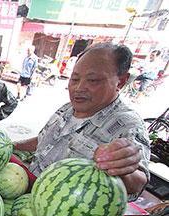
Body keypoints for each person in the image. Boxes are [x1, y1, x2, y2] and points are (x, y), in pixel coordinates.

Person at [14, 43, 150, 201]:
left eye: (92, 80)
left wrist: (123, 169)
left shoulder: (127, 125)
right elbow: (45, 140)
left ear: (120, 81)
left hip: (61, 212)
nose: (79, 88)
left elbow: (138, 182)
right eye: (75, 79)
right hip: (26, 196)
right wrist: (11, 146)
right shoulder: (67, 108)